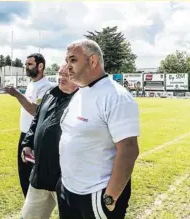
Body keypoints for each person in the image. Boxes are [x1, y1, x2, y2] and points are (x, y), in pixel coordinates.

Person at [57, 39, 140, 219]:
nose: (67, 66)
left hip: (95, 195)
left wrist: (109, 198)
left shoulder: (116, 97)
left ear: (92, 61)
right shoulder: (80, 92)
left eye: (73, 60)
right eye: (67, 60)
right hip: (68, 189)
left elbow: (128, 150)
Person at [19, 64, 78, 219]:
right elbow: (36, 120)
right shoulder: (50, 93)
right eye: (60, 73)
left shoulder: (82, 100)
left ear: (78, 77)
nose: (61, 78)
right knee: (28, 216)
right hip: (40, 173)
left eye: (67, 75)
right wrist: (27, 143)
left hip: (66, 178)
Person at [4, 53, 52, 198]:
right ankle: (28, 208)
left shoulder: (46, 87)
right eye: (26, 64)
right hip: (24, 135)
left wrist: (17, 94)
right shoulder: (32, 84)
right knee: (23, 174)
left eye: (30, 64)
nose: (26, 67)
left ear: (40, 66)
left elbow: (35, 110)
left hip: (34, 138)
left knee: (32, 176)